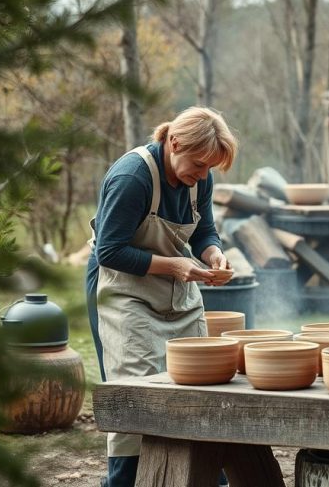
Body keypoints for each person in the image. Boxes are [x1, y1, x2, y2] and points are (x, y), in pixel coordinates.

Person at [85, 107, 238, 487]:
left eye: (210, 170)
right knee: (136, 404)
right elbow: (110, 251)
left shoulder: (200, 178)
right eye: (199, 164)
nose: (203, 176)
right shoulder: (133, 176)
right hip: (122, 293)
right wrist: (174, 267)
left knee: (197, 393)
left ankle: (205, 478)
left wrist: (212, 253)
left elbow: (204, 231)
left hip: (174, 291)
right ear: (173, 142)